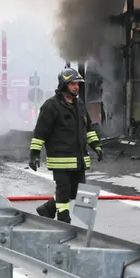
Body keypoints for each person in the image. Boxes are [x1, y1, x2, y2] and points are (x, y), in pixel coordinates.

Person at [29, 67, 103, 223]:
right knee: (63, 190)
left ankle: (48, 208)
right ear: (63, 85)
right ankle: (64, 220)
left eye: (78, 84)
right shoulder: (51, 106)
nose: (76, 87)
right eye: (72, 84)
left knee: (76, 192)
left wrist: (96, 145)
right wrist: (34, 155)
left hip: (79, 159)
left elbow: (88, 128)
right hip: (60, 159)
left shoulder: (80, 105)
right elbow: (40, 133)